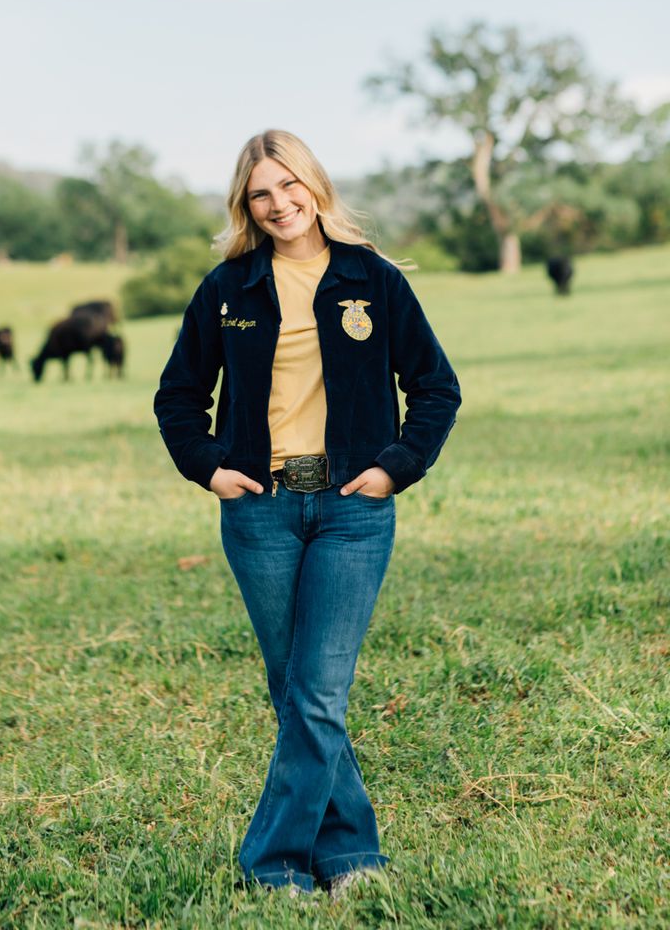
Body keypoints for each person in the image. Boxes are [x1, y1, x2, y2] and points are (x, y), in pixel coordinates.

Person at [154, 129, 461, 896]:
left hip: (352, 509)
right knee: (293, 685)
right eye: (262, 193)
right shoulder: (229, 288)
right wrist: (208, 467)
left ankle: (274, 863)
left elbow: (435, 387)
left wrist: (396, 469)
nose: (280, 203)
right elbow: (178, 395)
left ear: (315, 187)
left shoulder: (373, 280)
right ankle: (351, 853)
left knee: (316, 690)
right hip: (260, 510)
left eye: (290, 186)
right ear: (246, 206)